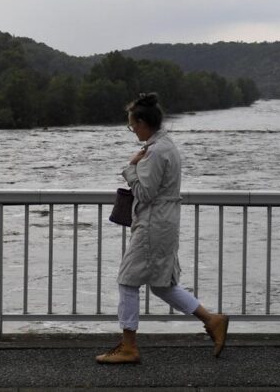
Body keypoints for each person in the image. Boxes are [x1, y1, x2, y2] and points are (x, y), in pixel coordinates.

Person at [96, 92, 229, 364]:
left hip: (153, 224)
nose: (132, 129)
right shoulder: (165, 145)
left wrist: (130, 168)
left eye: (132, 124)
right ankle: (212, 320)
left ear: (143, 122)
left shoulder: (156, 151)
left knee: (127, 281)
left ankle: (129, 347)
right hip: (163, 222)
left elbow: (144, 193)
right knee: (162, 284)